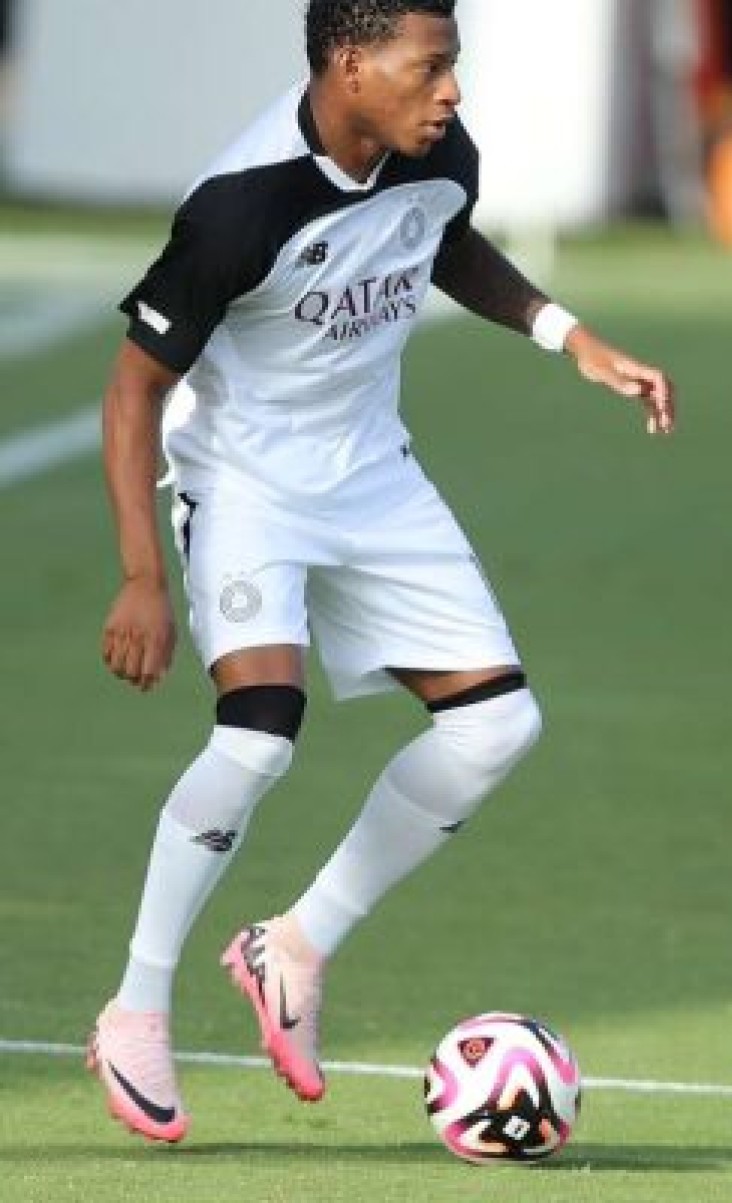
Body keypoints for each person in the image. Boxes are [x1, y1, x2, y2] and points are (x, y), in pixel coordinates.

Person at [89, 0, 674, 1145]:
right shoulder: (238, 205)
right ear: (352, 69)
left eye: (453, 63)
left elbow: (439, 236)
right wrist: (140, 575)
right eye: (432, 66)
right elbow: (132, 390)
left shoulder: (435, 146)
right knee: (258, 735)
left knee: (497, 730)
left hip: (373, 478)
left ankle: (292, 947)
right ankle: (135, 1008)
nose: (452, 89)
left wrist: (569, 334)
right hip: (248, 483)